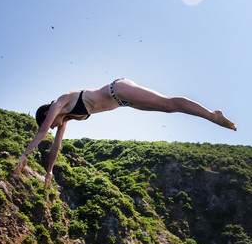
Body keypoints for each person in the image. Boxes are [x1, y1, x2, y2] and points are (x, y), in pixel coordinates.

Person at [14, 78, 237, 188]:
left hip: (117, 89)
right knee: (166, 110)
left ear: (47, 114)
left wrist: (25, 155)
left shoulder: (60, 102)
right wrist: (49, 172)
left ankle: (211, 115)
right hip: (122, 102)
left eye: (52, 124)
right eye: (54, 126)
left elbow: (43, 132)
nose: (54, 127)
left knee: (166, 104)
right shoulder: (67, 119)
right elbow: (55, 147)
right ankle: (210, 115)